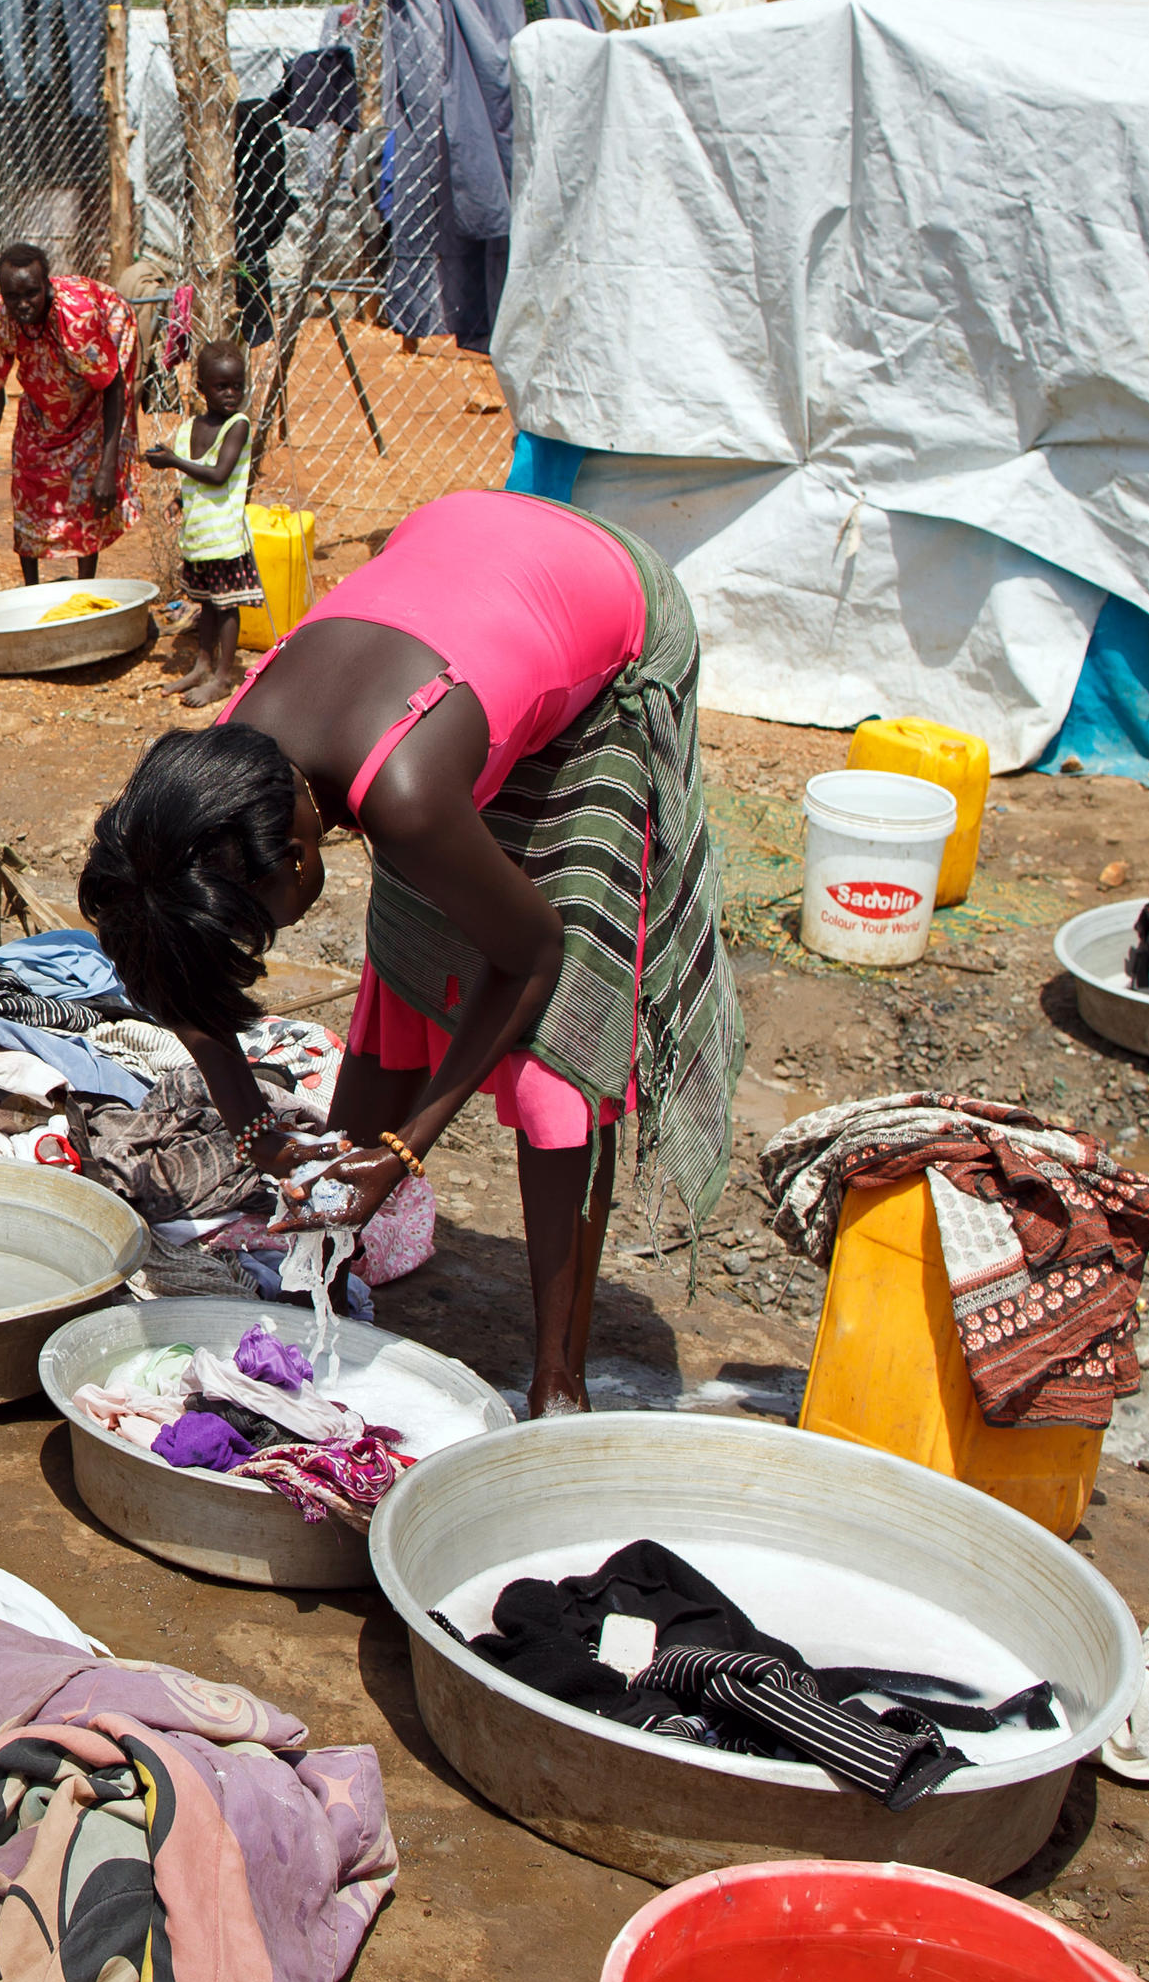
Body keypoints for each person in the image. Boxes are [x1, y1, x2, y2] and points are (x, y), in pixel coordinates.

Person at [74, 491, 741, 1419]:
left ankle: (560, 1378)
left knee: (563, 1027)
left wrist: (405, 1149)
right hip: (461, 574)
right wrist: (252, 1126)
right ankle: (328, 1265)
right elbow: (169, 964)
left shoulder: (408, 798)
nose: (272, 937)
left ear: (301, 853)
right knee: (414, 937)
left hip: (604, 614)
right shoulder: (222, 776)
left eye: (265, 922)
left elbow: (531, 952)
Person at [0, 243, 138, 586]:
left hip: (104, 343)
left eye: (32, 293)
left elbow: (112, 387)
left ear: (48, 287)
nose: (23, 304)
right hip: (49, 374)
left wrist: (107, 468)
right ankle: (31, 592)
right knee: (29, 466)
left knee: (88, 466)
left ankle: (86, 588)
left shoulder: (78, 320)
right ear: (1, 294)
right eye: (13, 296)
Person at [144, 338, 259, 707]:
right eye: (221, 387)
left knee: (226, 608)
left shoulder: (237, 426)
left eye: (237, 385)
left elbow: (219, 474)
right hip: (200, 537)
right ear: (201, 388)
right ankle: (202, 665)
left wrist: (174, 462)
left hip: (224, 538)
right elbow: (196, 480)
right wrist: (179, 498)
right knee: (207, 605)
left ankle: (223, 677)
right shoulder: (190, 427)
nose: (231, 394)